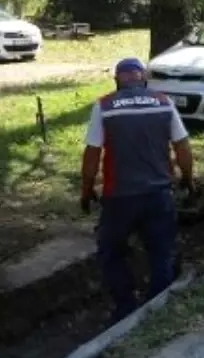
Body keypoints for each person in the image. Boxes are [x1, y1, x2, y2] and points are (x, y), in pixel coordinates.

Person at [80, 57, 196, 324]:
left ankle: (125, 308)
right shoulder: (164, 103)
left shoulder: (105, 106)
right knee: (161, 251)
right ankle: (158, 310)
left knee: (111, 251)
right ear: (144, 79)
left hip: (118, 198)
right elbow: (183, 148)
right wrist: (188, 179)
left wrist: (86, 190)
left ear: (117, 81)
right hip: (159, 195)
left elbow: (92, 155)